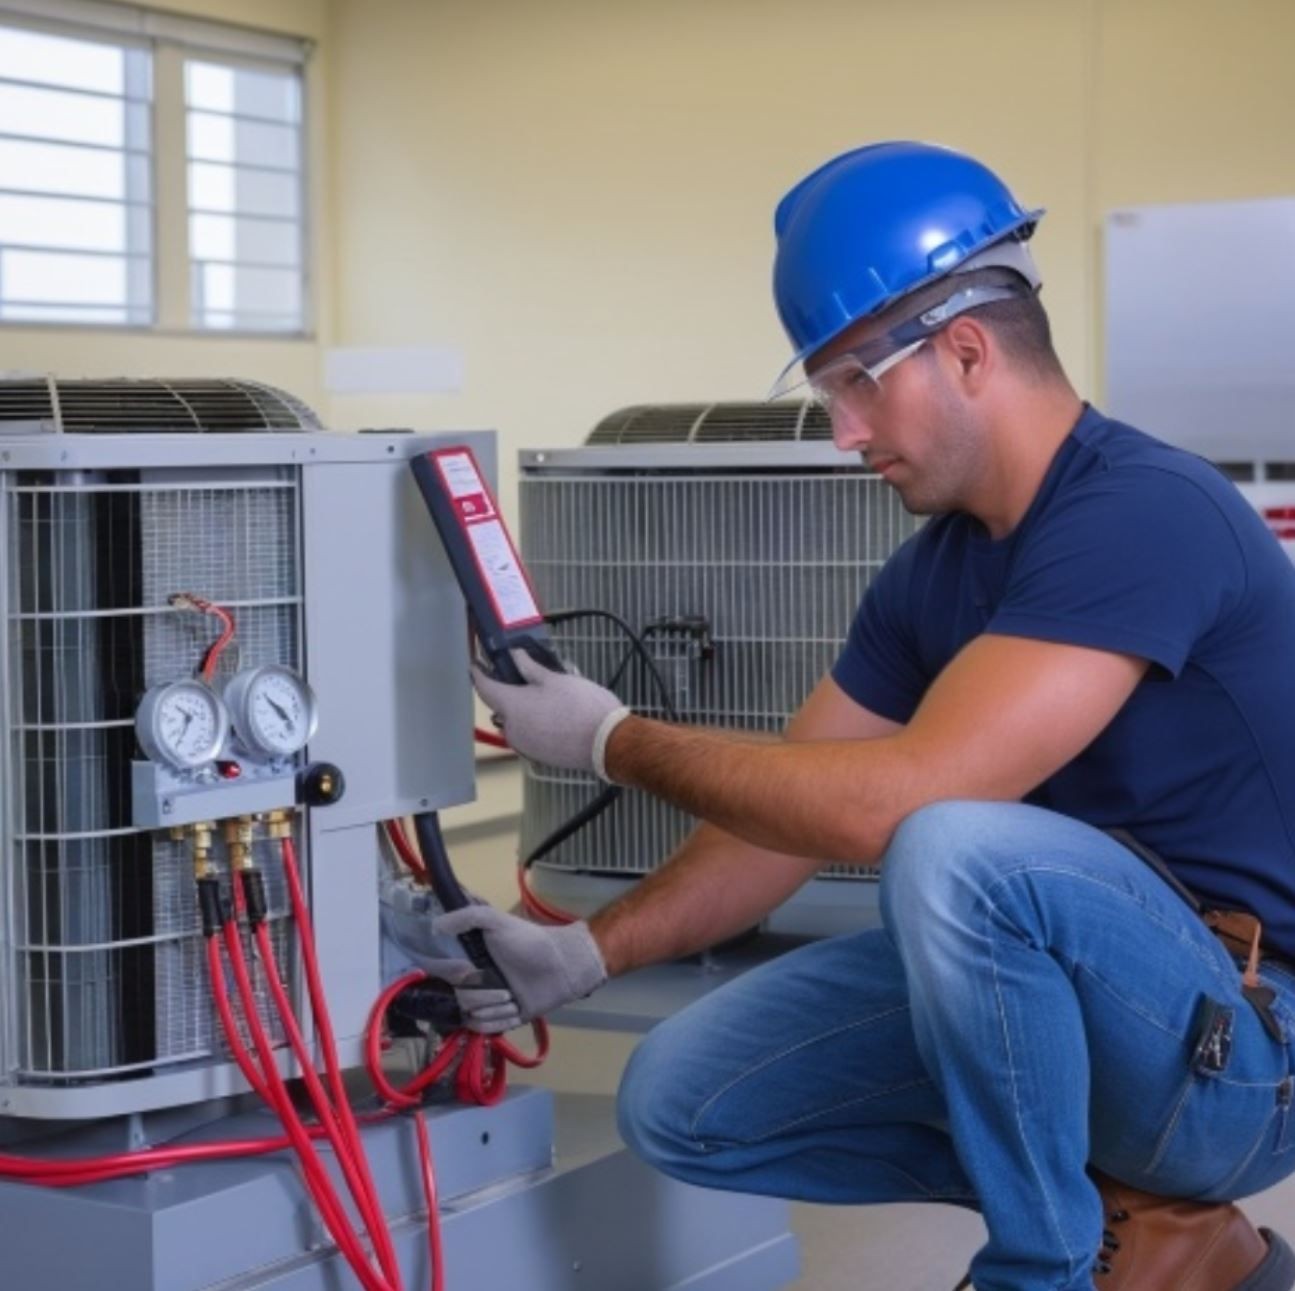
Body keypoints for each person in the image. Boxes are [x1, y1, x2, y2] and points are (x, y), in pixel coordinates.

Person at [436, 141, 1295, 1291]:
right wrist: (584, 952)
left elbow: (893, 806)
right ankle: (1140, 1228)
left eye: (854, 382)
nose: (842, 432)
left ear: (966, 350)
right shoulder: (932, 572)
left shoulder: (1143, 513)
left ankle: (1042, 1271)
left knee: (953, 844)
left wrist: (610, 740)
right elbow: (784, 813)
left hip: (1248, 1048)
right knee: (682, 1101)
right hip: (1110, 1024)